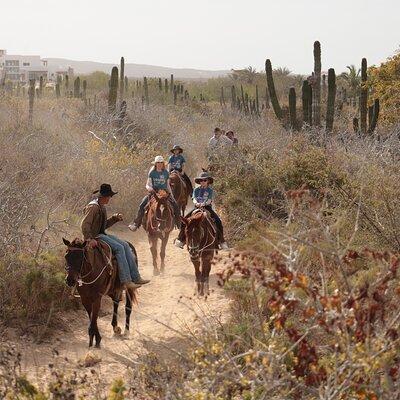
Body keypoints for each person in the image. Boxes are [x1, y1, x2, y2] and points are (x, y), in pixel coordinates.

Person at [81, 183, 150, 290]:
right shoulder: (93, 207)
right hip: (95, 237)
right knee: (119, 248)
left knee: (125, 245)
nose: (110, 198)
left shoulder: (101, 207)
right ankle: (126, 280)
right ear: (103, 196)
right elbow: (85, 225)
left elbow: (103, 226)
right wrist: (89, 239)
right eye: (109, 196)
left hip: (100, 234)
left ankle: (136, 277)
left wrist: (114, 219)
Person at [174, 171, 229, 250]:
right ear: (199, 182)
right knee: (185, 220)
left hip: (207, 207)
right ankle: (181, 239)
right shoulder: (196, 190)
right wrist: (197, 203)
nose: (203, 182)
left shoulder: (210, 190)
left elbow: (210, 200)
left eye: (205, 180)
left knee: (218, 221)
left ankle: (221, 241)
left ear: (208, 181)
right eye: (201, 180)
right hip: (197, 207)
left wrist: (204, 203)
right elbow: (194, 198)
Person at [129, 156, 181, 231]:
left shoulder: (166, 172)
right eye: (158, 162)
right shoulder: (152, 172)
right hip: (154, 192)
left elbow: (167, 185)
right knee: (142, 205)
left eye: (161, 162)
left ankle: (178, 224)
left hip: (164, 192)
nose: (159, 164)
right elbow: (147, 184)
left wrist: (170, 194)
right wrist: (150, 189)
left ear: (163, 164)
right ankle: (136, 224)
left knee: (175, 205)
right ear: (155, 164)